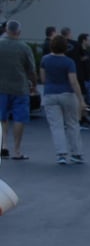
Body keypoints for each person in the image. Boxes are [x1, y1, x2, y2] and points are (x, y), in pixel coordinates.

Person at [39, 33, 87, 164]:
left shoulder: (45, 60)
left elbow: (43, 79)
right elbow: (73, 81)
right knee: (72, 123)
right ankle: (76, 153)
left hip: (50, 94)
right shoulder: (69, 62)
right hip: (67, 94)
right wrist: (81, 99)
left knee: (57, 126)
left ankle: (61, 154)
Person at [0, 20, 37, 159]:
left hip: (1, 86)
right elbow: (31, 70)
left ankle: (3, 145)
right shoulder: (24, 47)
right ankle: (17, 150)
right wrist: (33, 85)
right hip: (19, 88)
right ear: (18, 32)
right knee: (19, 118)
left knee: (2, 117)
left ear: (6, 30)